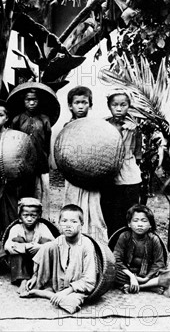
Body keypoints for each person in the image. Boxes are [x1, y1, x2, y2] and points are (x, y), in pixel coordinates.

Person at [19, 204, 97, 314]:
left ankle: (46, 294)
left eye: (74, 222)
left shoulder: (86, 245)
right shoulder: (59, 240)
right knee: (48, 246)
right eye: (64, 221)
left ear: (81, 224)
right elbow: (44, 253)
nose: (68, 225)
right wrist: (35, 276)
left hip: (76, 289)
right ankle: (52, 292)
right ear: (59, 223)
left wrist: (67, 291)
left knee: (71, 304)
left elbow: (90, 280)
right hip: (58, 284)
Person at [61, 86, 108, 242]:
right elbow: (63, 151)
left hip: (92, 176)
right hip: (73, 176)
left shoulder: (96, 126)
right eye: (77, 103)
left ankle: (97, 245)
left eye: (84, 102)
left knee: (94, 211)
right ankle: (71, 242)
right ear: (70, 106)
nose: (80, 106)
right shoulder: (67, 127)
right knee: (72, 207)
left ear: (90, 105)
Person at [0, 99, 30, 239]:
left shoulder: (15, 137)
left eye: (0, 115)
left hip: (12, 186)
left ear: (7, 117)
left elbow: (24, 160)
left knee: (13, 215)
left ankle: (13, 244)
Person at [113, 204, 170, 298]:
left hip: (148, 275)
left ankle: (139, 287)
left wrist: (145, 278)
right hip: (126, 274)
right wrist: (132, 276)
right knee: (111, 271)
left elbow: (159, 263)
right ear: (129, 223)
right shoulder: (124, 236)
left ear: (150, 225)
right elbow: (116, 259)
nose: (140, 224)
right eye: (135, 220)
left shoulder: (154, 239)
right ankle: (151, 286)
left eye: (144, 221)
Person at [103, 88, 143, 236]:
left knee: (129, 211)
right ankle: (112, 242)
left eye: (123, 104)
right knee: (110, 212)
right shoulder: (104, 125)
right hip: (109, 173)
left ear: (129, 106)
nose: (119, 108)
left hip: (129, 175)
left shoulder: (134, 127)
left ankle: (128, 242)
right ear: (109, 106)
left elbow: (137, 152)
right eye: (115, 105)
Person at [10, 87, 51, 200]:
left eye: (35, 100)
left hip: (40, 160)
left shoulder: (44, 120)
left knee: (39, 190)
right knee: (23, 189)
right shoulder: (17, 120)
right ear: (23, 101)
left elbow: (47, 142)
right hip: (22, 160)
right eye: (28, 100)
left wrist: (46, 157)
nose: (32, 103)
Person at [4, 197, 55, 286]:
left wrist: (40, 247)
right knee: (17, 240)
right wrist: (25, 247)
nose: (29, 219)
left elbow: (55, 245)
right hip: (21, 263)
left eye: (33, 216)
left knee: (45, 241)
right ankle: (22, 280)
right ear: (20, 217)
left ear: (39, 216)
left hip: (39, 262)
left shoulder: (42, 227)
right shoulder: (16, 228)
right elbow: (7, 245)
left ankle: (38, 276)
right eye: (25, 215)